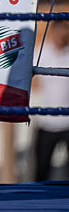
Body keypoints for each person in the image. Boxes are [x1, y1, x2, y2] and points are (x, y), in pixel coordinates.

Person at [33, 21, 69, 181]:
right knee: (41, 169)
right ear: (53, 32)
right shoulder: (41, 52)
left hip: (68, 121)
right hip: (46, 121)